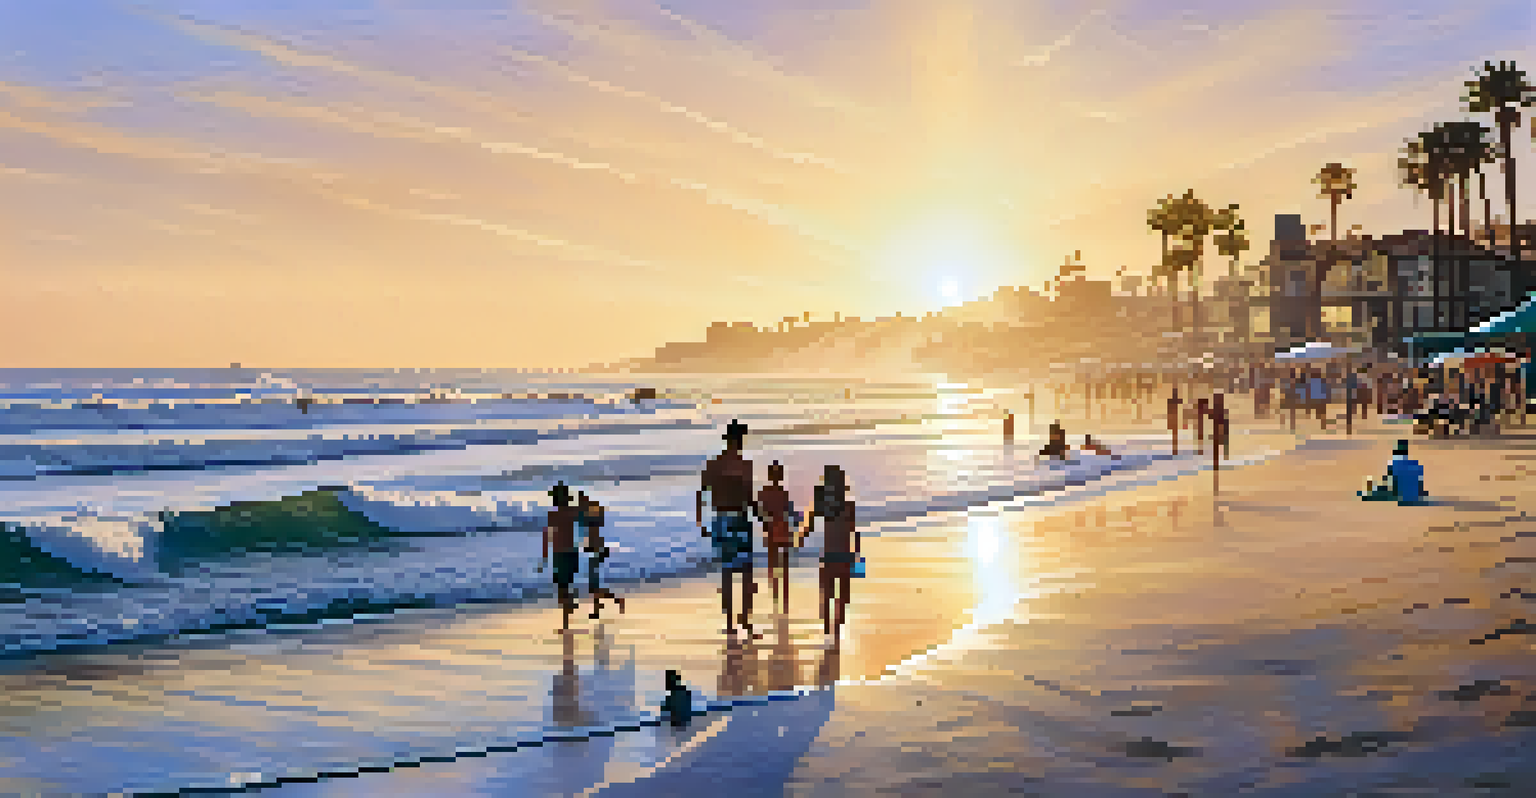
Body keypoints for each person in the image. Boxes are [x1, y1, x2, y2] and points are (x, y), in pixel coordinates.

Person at [699, 419, 758, 635]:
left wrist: (701, 521)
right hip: (739, 519)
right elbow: (749, 498)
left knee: (728, 572)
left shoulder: (714, 464)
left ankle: (731, 622)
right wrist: (763, 519)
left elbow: (702, 492)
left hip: (721, 519)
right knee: (745, 572)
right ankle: (744, 619)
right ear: (739, 440)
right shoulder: (744, 465)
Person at [801, 465, 859, 639]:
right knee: (842, 596)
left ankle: (828, 628)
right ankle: (835, 628)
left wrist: (801, 537)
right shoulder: (848, 506)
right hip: (844, 556)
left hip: (829, 556)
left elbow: (809, 523)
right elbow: (852, 531)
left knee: (827, 595)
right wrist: (856, 553)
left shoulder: (825, 507)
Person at [757, 460, 798, 614]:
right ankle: (784, 600)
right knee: (784, 567)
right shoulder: (783, 492)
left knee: (773, 566)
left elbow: (760, 514)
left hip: (771, 529)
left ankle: (776, 598)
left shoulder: (763, 493)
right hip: (783, 528)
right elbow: (790, 512)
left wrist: (767, 521)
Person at [541, 481, 582, 631]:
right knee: (566, 586)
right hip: (572, 553)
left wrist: (545, 555)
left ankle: (566, 621)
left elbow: (547, 535)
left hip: (559, 554)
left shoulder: (553, 514)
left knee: (561, 588)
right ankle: (570, 605)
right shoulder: (573, 512)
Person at [578, 491, 625, 620]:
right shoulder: (591, 517)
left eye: (580, 502)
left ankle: (616, 600)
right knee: (593, 584)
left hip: (596, 551)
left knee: (593, 585)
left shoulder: (590, 518)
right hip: (596, 550)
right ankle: (597, 609)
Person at [1359, 440, 1427, 504]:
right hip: (1415, 494)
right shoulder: (1416, 464)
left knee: (1380, 489)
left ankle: (1371, 490)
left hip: (1401, 494)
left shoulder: (1395, 464)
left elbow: (1389, 481)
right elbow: (1420, 482)